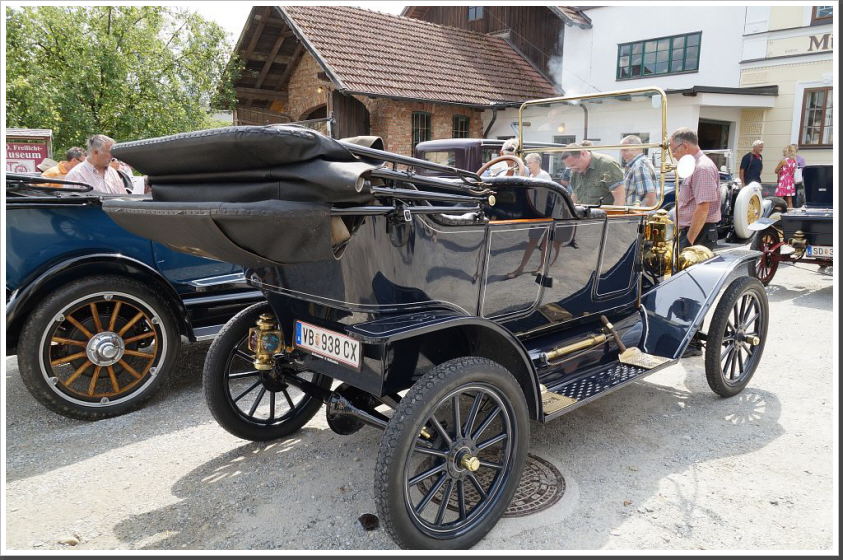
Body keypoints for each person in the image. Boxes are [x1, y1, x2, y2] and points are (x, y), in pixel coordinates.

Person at [669, 127, 720, 251]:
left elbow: (703, 208)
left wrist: (688, 242)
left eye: (674, 150)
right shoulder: (694, 165)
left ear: (685, 146)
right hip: (693, 232)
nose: (673, 155)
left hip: (698, 235)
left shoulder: (702, 168)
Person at [619, 135, 658, 207]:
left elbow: (650, 197)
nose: (622, 153)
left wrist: (641, 214)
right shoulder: (638, 163)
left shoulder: (639, 165)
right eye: (621, 150)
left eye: (625, 150)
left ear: (636, 149)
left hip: (636, 213)